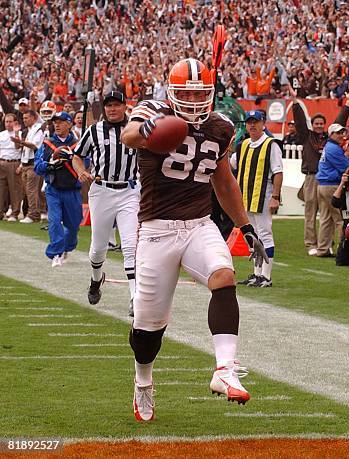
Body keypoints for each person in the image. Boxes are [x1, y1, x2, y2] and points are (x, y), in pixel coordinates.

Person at [121, 58, 268, 421]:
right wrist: (147, 130)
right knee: (148, 326)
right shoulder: (153, 110)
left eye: (199, 93)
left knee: (224, 276)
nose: (192, 99)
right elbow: (128, 135)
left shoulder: (220, 126)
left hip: (199, 224)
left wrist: (245, 226)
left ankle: (224, 370)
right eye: (185, 92)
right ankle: (143, 381)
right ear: (171, 91)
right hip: (156, 231)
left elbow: (223, 179)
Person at [72, 91, 139, 316]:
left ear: (124, 106)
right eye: (108, 105)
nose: (112, 109)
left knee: (130, 246)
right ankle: (95, 278)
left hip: (129, 190)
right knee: (99, 248)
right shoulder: (94, 130)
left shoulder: (136, 128)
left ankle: (135, 298)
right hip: (102, 190)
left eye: (116, 105)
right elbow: (76, 155)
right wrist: (81, 171)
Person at [287, 84, 349, 255]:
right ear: (312, 124)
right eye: (316, 123)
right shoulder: (306, 136)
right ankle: (310, 243)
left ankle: (326, 243)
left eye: (321, 123)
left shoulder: (330, 138)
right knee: (310, 212)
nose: (319, 125)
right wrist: (295, 101)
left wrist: (348, 102)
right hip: (310, 177)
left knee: (326, 213)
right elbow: (300, 120)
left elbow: (340, 121)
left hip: (325, 180)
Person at [232, 110, 283, 287]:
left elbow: (278, 172)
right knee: (253, 237)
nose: (252, 125)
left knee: (265, 235)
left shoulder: (271, 144)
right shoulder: (244, 144)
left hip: (263, 196)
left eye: (256, 122)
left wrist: (275, 196)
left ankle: (266, 276)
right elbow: (231, 164)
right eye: (249, 122)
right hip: (246, 197)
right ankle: (257, 273)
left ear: (263, 124)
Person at [33, 112, 82, 267]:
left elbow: (86, 163)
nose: (57, 125)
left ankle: (67, 247)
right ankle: (55, 253)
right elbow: (37, 167)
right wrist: (51, 164)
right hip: (53, 189)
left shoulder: (78, 143)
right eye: (55, 122)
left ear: (69, 124)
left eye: (61, 122)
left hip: (72, 190)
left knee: (73, 224)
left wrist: (73, 159)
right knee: (54, 221)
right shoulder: (47, 144)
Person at [315, 123, 349, 257]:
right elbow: (345, 167)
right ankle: (344, 250)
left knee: (325, 218)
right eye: (338, 133)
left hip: (322, 185)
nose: (342, 135)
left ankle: (322, 249)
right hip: (332, 186)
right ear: (331, 134)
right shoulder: (334, 148)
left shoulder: (328, 147)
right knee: (340, 219)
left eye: (342, 132)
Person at [13, 110, 45, 223]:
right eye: (24, 118)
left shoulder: (39, 130)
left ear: (34, 118)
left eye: (26, 118)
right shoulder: (28, 131)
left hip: (33, 164)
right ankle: (36, 212)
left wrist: (21, 142)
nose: (24, 120)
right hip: (26, 163)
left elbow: (35, 146)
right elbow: (19, 147)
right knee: (28, 191)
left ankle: (33, 215)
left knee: (32, 191)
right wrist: (17, 135)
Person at [0, 113, 24, 221]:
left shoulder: (20, 133)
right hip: (2, 162)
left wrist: (17, 134)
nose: (8, 124)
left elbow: (19, 147)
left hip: (14, 163)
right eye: (6, 122)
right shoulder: (1, 134)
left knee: (15, 190)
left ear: (15, 122)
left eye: (10, 121)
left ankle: (15, 213)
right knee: (1, 190)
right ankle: (1, 213)